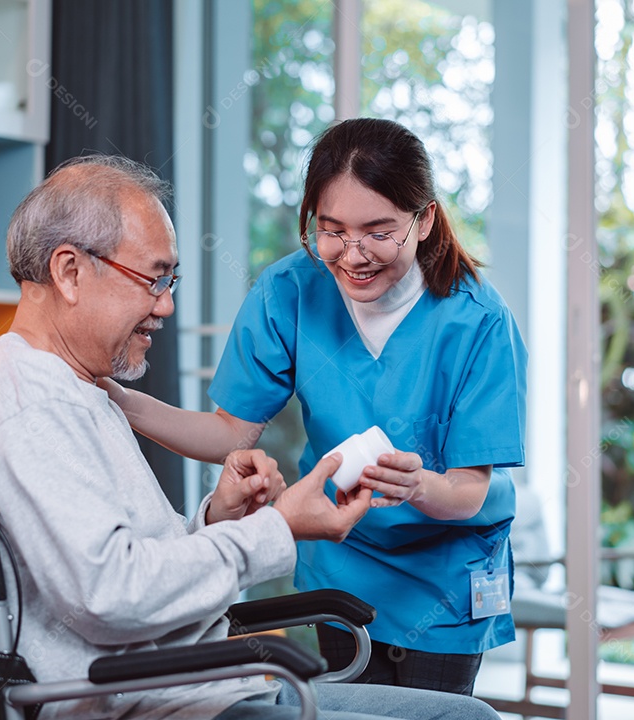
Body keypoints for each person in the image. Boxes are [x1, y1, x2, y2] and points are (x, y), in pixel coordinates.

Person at [0, 154, 500, 720]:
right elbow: (112, 595)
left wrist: (219, 519)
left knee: (467, 716)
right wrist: (276, 526)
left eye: (171, 280)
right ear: (69, 271)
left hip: (202, 684)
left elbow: (129, 569)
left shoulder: (84, 391)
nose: (167, 304)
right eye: (154, 278)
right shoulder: (24, 397)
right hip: (149, 702)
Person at [102, 118, 527, 696]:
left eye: (379, 232)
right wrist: (116, 400)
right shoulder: (288, 292)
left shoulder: (478, 318)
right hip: (344, 567)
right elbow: (231, 433)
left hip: (445, 579)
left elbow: (470, 487)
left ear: (423, 220)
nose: (353, 256)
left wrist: (416, 484)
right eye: (331, 231)